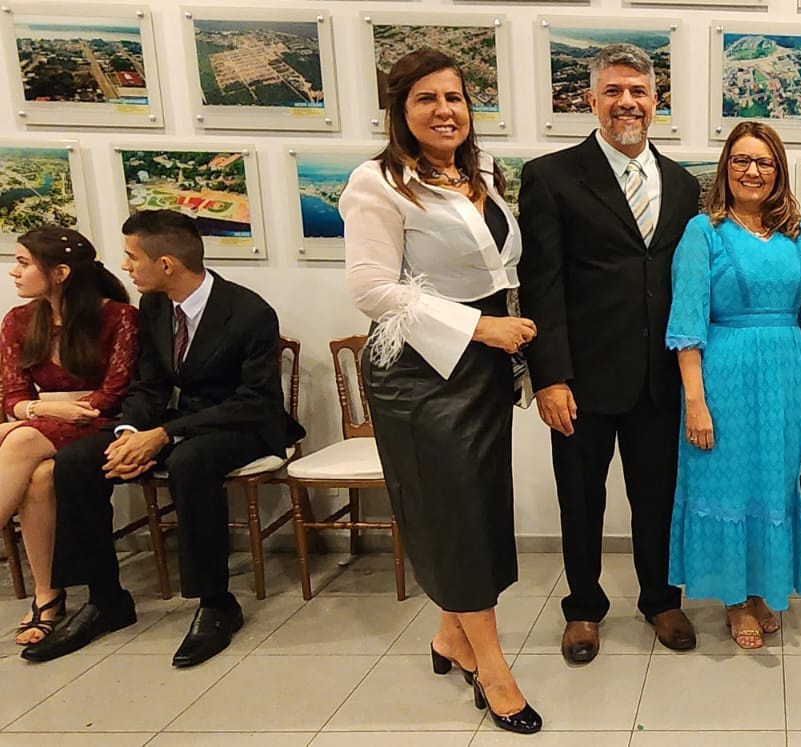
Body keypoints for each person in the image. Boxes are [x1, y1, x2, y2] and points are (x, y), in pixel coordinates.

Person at [341, 49, 541, 734]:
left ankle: (451, 636)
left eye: (454, 97)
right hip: (420, 373)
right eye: (425, 99)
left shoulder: (483, 173)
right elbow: (371, 288)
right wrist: (481, 326)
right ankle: (492, 667)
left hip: (483, 368)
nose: (444, 110)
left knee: (478, 508)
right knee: (453, 514)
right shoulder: (376, 183)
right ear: (400, 111)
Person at [21, 209, 303, 669]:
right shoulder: (153, 307)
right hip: (179, 421)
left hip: (244, 424)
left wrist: (163, 435)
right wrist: (129, 433)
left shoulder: (249, 312)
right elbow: (148, 385)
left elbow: (255, 400)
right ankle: (105, 598)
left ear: (166, 264)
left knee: (191, 462)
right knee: (77, 460)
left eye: (132, 257)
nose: (125, 267)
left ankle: (216, 602)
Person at [519, 43, 701, 664]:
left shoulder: (683, 184)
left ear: (656, 101)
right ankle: (583, 608)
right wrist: (550, 377)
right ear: (591, 100)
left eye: (639, 91)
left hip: (659, 379)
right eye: (614, 91)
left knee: (658, 499)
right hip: (582, 380)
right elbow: (541, 284)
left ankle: (661, 600)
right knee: (581, 500)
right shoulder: (551, 176)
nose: (627, 102)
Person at [665, 121, 801, 649]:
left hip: (785, 380)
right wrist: (695, 402)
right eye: (742, 160)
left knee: (773, 485)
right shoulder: (703, 232)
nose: (753, 171)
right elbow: (687, 323)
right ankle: (735, 600)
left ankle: (762, 590)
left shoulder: (791, 234)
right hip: (725, 380)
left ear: (778, 172)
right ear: (725, 169)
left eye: (764, 162)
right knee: (728, 487)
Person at [1, 227, 137, 645]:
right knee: (39, 478)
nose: (13, 272)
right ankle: (48, 596)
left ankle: (49, 597)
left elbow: (113, 393)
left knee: (19, 439)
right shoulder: (19, 320)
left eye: (23, 263)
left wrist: (40, 414)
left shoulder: (118, 316)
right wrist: (45, 410)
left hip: (101, 424)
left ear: (60, 273)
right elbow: (13, 396)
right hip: (44, 424)